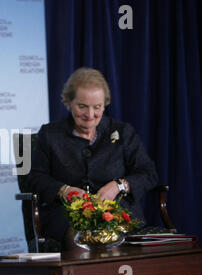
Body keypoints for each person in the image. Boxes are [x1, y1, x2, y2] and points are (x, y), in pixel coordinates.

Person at [26, 67, 158, 250]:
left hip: (118, 214)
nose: (90, 115)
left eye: (97, 107)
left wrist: (119, 185)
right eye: (82, 106)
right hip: (67, 217)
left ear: (105, 104)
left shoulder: (122, 132)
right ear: (69, 102)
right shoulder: (49, 134)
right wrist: (64, 191)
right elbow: (35, 178)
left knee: (119, 239)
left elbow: (148, 173)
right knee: (81, 239)